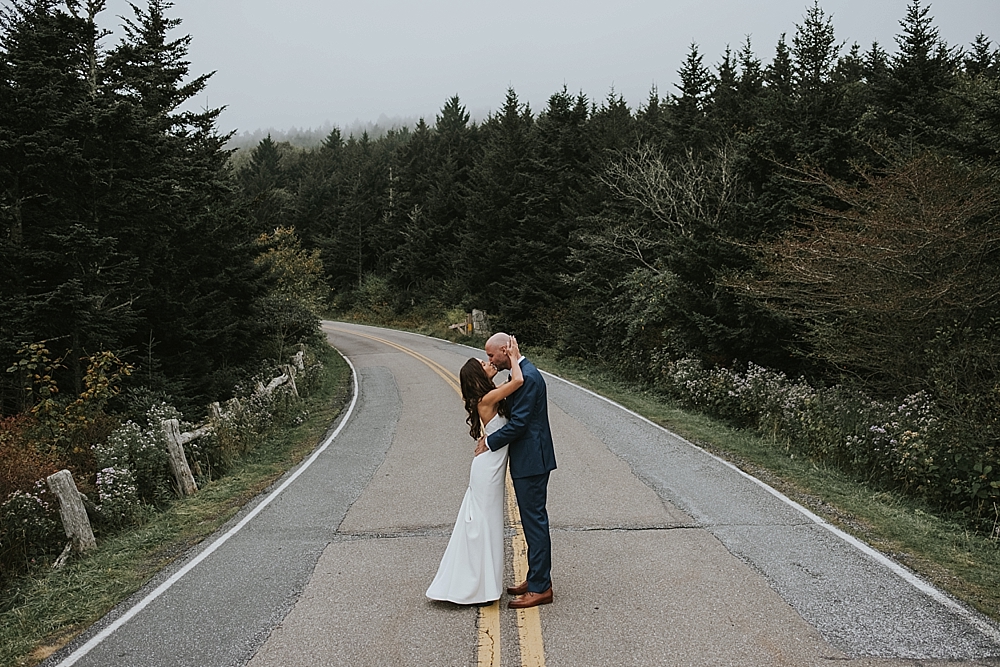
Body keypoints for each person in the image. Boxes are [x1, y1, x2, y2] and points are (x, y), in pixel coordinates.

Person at [426, 337, 524, 604]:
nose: (489, 363)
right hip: (487, 469)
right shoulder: (486, 399)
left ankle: (484, 585)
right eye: (484, 363)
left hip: (490, 465)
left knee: (488, 524)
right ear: (478, 375)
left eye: (487, 359)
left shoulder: (490, 395)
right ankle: (474, 585)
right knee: (483, 525)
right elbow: (517, 382)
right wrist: (514, 357)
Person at [476, 332, 556, 609]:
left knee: (534, 523)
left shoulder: (529, 377)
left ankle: (540, 588)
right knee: (530, 521)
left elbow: (519, 423)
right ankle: (536, 577)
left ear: (504, 350)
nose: (490, 360)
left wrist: (490, 441)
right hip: (528, 458)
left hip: (533, 460)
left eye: (490, 355)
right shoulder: (519, 373)